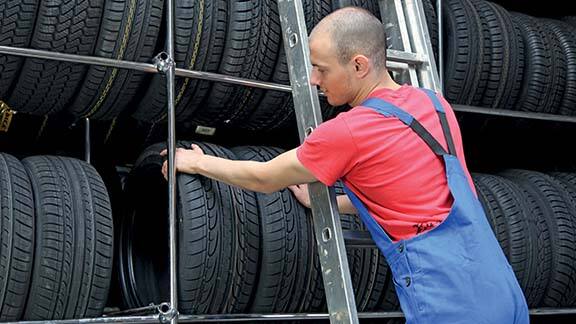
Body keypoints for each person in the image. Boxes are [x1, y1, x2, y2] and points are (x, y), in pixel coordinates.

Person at [161, 7, 529, 324]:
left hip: (452, 303)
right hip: (501, 289)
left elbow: (263, 177)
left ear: (358, 65)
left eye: (321, 69)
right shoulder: (433, 104)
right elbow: (415, 191)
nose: (314, 80)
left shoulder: (348, 132)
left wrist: (196, 161)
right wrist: (328, 203)